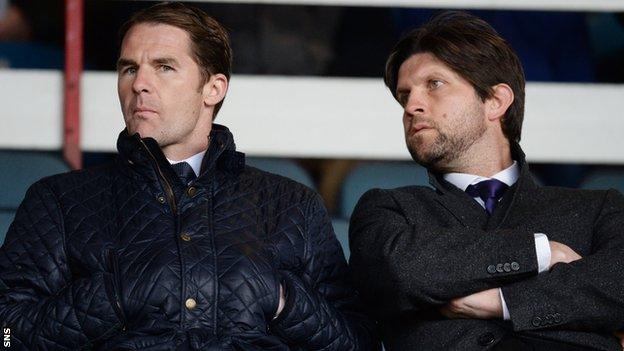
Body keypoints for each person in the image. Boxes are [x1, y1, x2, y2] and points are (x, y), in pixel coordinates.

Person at [0, 3, 378, 350]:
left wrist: (283, 299)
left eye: (164, 66)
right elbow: (5, 334)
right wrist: (113, 296)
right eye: (129, 68)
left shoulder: (292, 204)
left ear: (213, 88)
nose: (139, 83)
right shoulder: (59, 201)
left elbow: (359, 343)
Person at [348, 11, 624, 351]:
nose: (412, 106)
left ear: (495, 101)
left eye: (434, 84)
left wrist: (502, 301)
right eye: (405, 96)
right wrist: (541, 253)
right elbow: (398, 271)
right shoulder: (389, 209)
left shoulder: (598, 208)